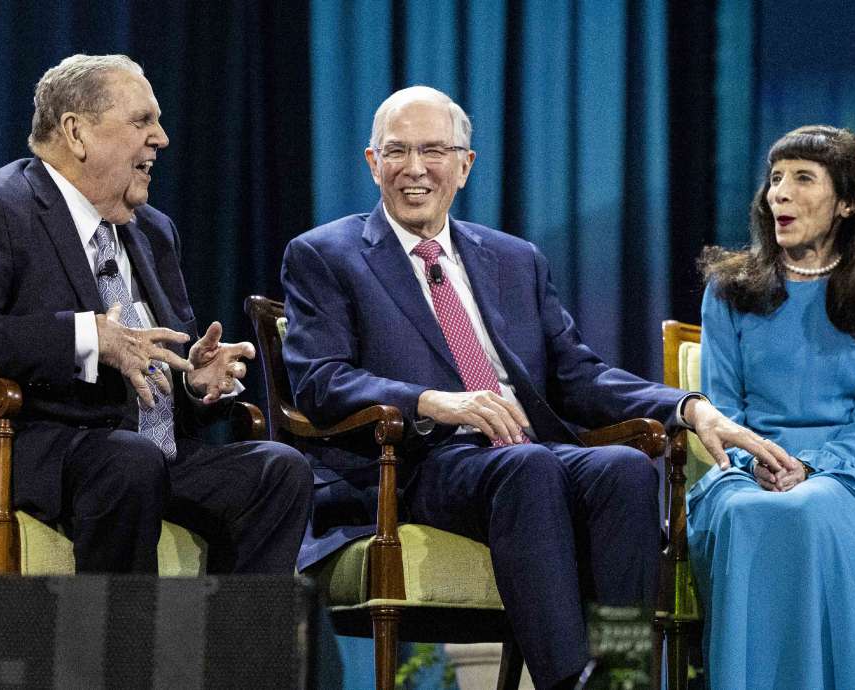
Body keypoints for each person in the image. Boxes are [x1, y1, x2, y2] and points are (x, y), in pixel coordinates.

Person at [279, 85, 788, 690]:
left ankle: (622, 676)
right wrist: (433, 402)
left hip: (522, 455)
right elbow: (321, 379)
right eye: (397, 151)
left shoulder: (513, 259)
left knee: (624, 468)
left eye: (434, 151)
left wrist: (687, 406)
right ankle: (567, 681)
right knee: (530, 467)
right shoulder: (326, 255)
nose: (415, 168)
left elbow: (580, 376)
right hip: (412, 465)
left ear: (464, 165)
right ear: (372, 162)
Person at [0, 54, 312, 575]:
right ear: (76, 133)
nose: (161, 138)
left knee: (279, 470)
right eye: (141, 121)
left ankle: (228, 633)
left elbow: (152, 365)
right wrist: (87, 337)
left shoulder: (154, 231)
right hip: (15, 443)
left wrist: (194, 382)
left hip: (132, 451)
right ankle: (111, 633)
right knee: (128, 462)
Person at [689, 125, 855, 688]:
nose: (780, 193)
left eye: (802, 178)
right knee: (744, 512)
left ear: (846, 202)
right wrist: (759, 462)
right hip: (745, 470)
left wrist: (810, 467)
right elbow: (723, 407)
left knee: (812, 506)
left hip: (847, 476)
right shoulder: (729, 290)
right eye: (775, 179)